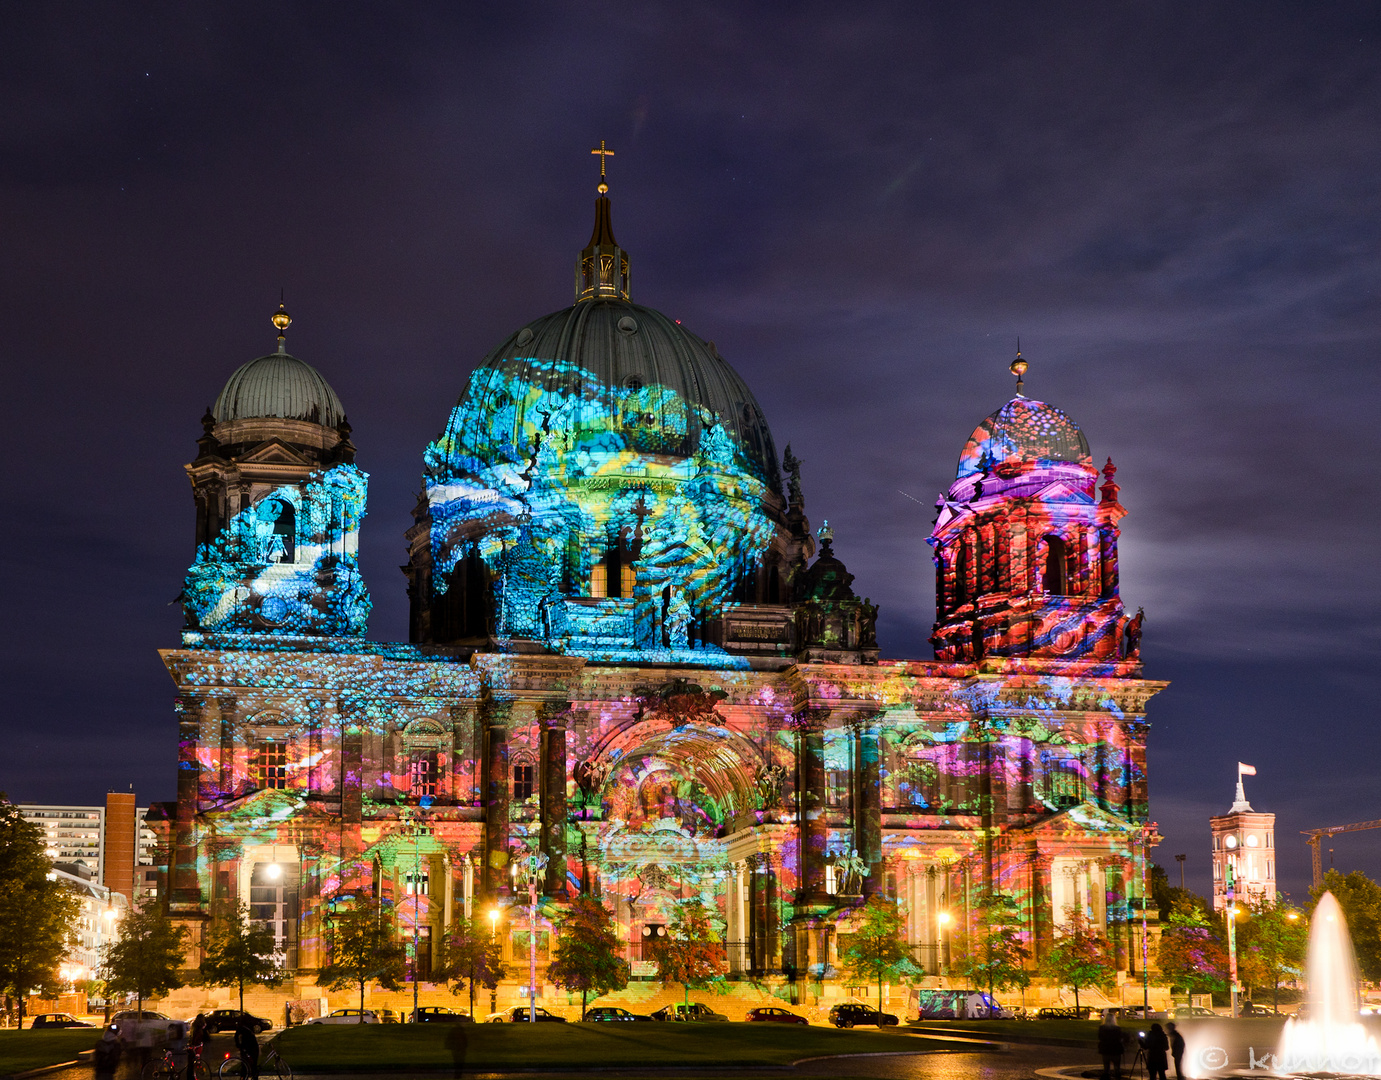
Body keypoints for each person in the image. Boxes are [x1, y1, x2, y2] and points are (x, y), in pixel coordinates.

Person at [1097, 1010, 1124, 1080]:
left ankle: (1106, 1077)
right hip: (1116, 1050)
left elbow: (1100, 1037)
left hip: (1105, 1049)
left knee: (1106, 1067)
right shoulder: (1117, 1028)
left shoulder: (1102, 1028)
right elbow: (1120, 1038)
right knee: (1117, 1067)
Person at [234, 1015, 260, 1080]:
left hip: (246, 1047)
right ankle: (253, 1075)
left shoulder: (241, 1027)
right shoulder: (248, 1027)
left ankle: (245, 1076)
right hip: (251, 1046)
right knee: (252, 1062)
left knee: (246, 1063)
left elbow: (236, 1036)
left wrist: (238, 1045)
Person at [188, 1014, 208, 1080]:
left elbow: (192, 1036)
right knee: (195, 1061)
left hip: (193, 1046)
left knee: (191, 1062)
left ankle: (191, 1075)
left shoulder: (194, 1025)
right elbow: (202, 1037)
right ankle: (193, 1075)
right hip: (197, 1046)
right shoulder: (200, 1027)